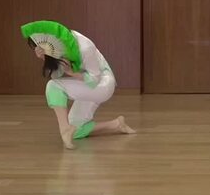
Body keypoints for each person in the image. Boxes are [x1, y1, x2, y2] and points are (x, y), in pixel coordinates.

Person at [23, 21, 136, 149]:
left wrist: (72, 73)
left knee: (53, 86)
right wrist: (45, 58)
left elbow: (94, 79)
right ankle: (116, 124)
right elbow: (56, 75)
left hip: (103, 83)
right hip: (86, 84)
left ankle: (65, 129)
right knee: (76, 131)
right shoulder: (58, 48)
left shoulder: (85, 47)